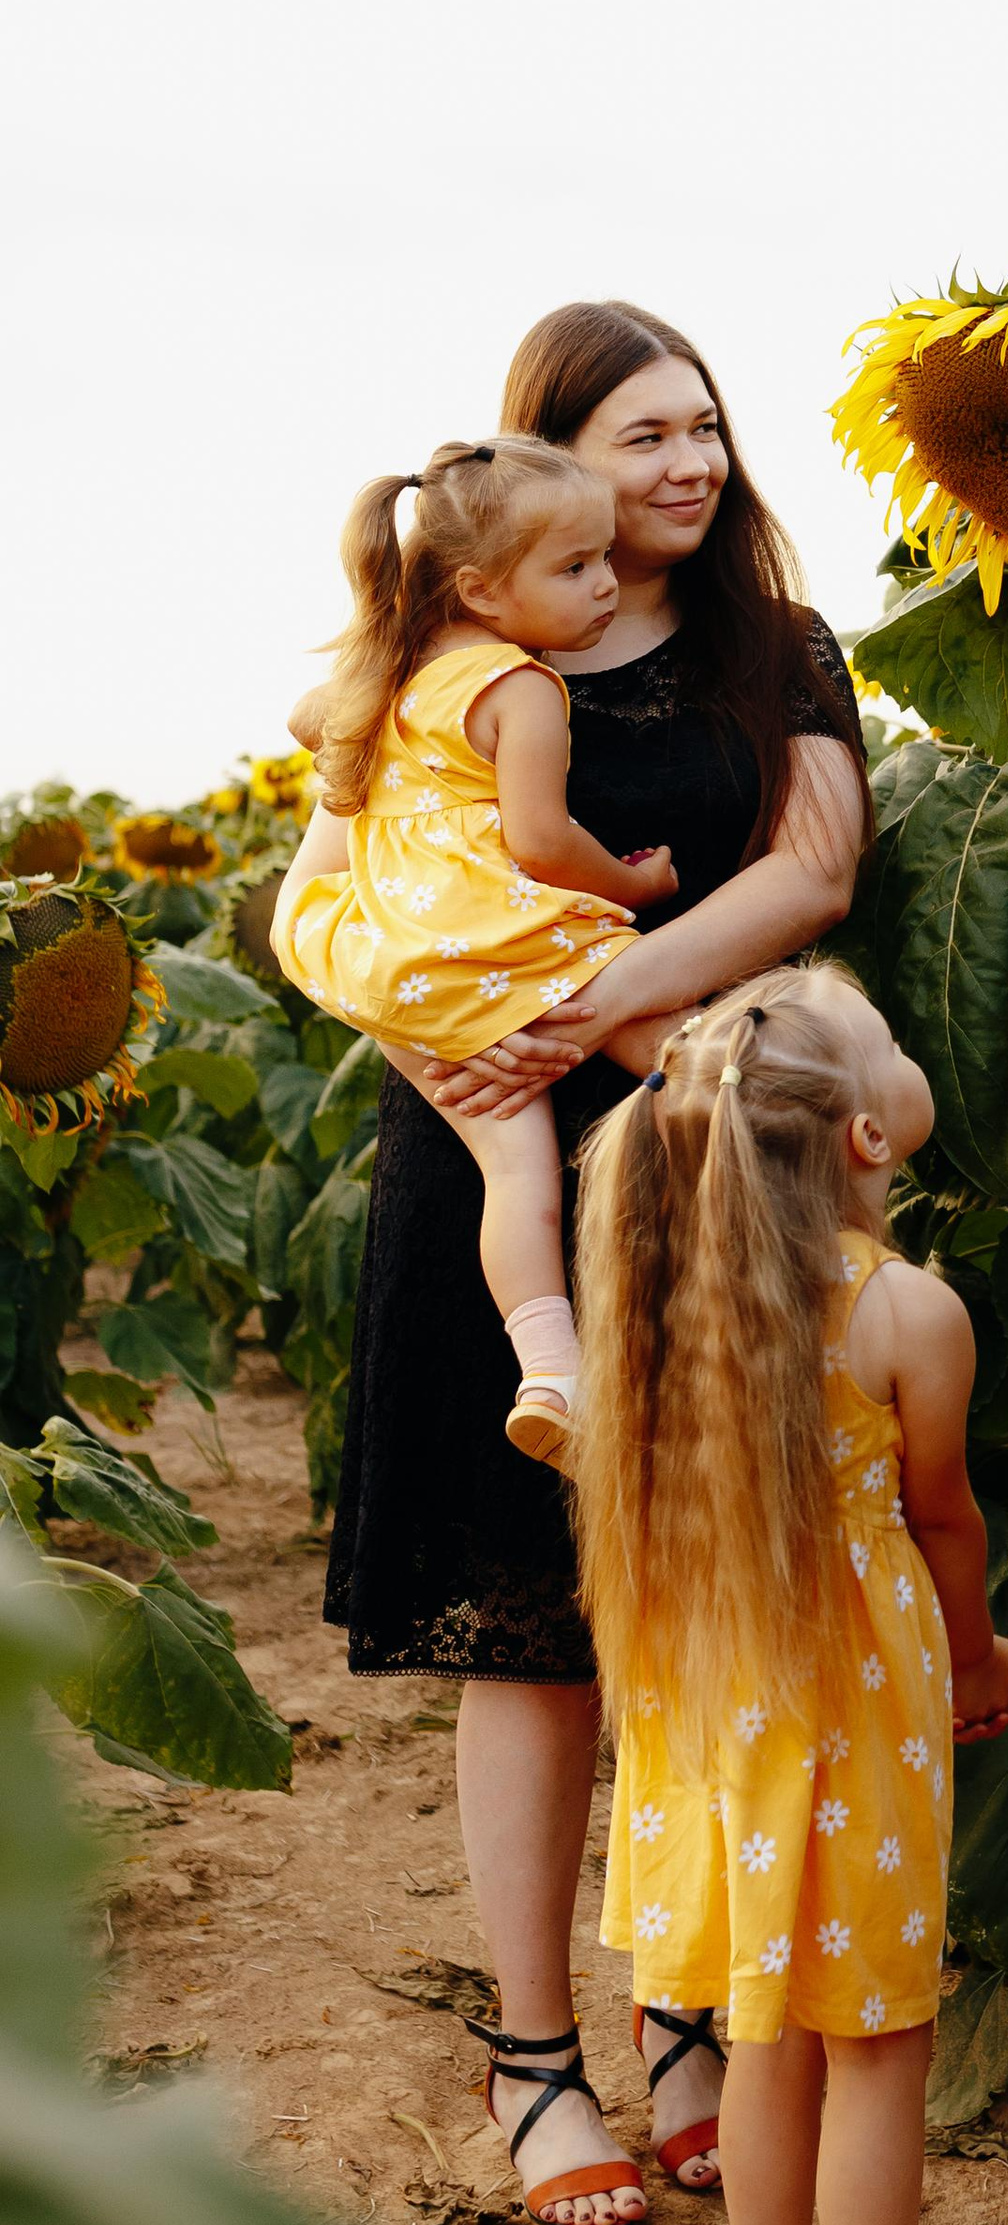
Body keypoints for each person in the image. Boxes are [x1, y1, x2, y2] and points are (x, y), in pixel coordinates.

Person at [297, 303, 871, 2225]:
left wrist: (602, 998)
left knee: (702, 1604)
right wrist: (448, 1029)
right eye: (642, 436)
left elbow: (812, 872)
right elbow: (326, 900)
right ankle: (534, 2058)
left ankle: (687, 2011)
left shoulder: (774, 649)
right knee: (526, 1632)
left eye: (704, 424)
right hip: (491, 1153)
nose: (689, 462)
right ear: (548, 461)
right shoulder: (439, 672)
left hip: (707, 1151)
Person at [578, 964, 1008, 2225]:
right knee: (881, 2043)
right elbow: (945, 1520)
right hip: (854, 1715)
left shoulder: (663, 1297)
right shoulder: (906, 1311)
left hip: (721, 1716)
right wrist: (975, 1666)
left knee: (762, 2033)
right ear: (865, 1139)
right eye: (884, 1043)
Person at [276, 436, 679, 1463]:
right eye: (575, 566)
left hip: (398, 963)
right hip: (499, 940)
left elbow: (305, 718)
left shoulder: (387, 676)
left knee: (516, 1171)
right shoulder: (520, 687)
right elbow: (541, 843)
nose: (606, 583)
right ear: (481, 590)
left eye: (605, 557)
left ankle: (551, 1372)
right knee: (686, 1061)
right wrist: (636, 883)